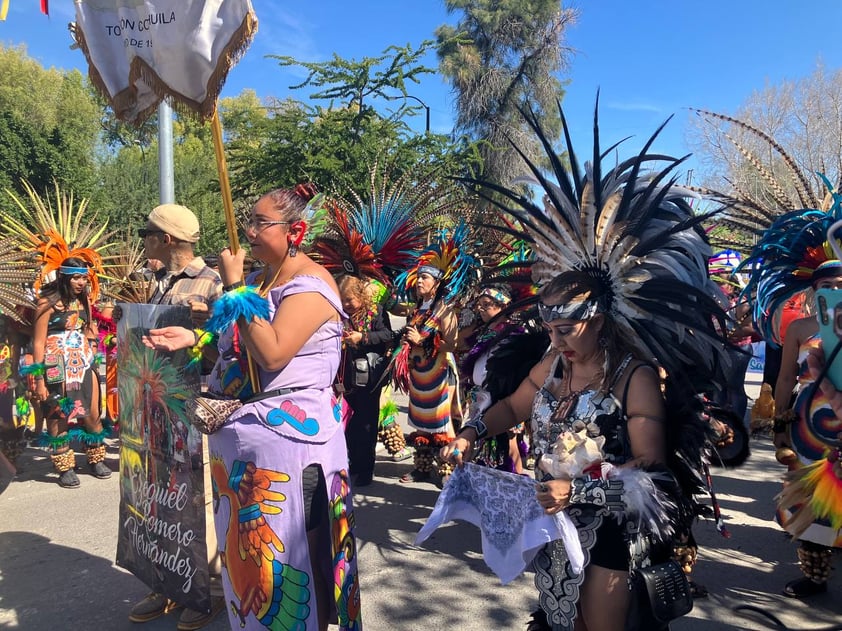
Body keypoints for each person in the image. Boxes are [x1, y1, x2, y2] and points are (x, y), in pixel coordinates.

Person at [438, 105, 728, 631]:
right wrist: (471, 433)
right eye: (549, 327)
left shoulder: (632, 377)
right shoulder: (551, 363)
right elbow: (509, 407)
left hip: (612, 532)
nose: (556, 339)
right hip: (551, 525)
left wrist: (582, 492)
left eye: (567, 328)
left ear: (599, 317)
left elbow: (655, 480)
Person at [143, 186, 363, 631]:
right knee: (253, 571)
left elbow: (274, 352)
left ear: (295, 230)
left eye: (260, 223)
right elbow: (237, 348)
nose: (248, 231)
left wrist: (234, 285)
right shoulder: (266, 278)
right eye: (250, 221)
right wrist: (195, 339)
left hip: (291, 455)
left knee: (295, 565)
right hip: (244, 457)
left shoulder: (312, 285)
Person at [126, 204, 224, 630]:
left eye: (148, 231)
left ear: (165, 238)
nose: (143, 237)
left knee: (199, 498)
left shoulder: (214, 281)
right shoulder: (156, 280)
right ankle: (167, 580)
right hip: (156, 406)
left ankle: (209, 591)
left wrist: (207, 331)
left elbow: (230, 349)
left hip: (195, 406)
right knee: (158, 492)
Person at [768, 260, 842, 598]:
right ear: (814, 290)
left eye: (841, 283)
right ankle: (815, 576)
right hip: (807, 433)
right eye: (827, 284)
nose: (835, 290)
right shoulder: (799, 329)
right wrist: (780, 425)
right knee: (809, 503)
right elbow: (784, 379)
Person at [391, 225, 476, 485]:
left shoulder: (445, 309)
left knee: (441, 424)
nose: (419, 282)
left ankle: (446, 472)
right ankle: (421, 467)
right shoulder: (417, 307)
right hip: (419, 374)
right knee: (420, 422)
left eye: (425, 278)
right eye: (418, 278)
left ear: (437, 283)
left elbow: (454, 344)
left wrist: (424, 343)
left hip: (439, 374)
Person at [31, 257, 109, 487]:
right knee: (58, 415)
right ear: (64, 277)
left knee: (92, 413)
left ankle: (95, 459)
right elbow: (38, 342)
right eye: (76, 277)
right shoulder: (46, 303)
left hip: (82, 362)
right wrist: (39, 380)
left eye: (84, 277)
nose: (81, 282)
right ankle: (64, 466)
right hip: (55, 364)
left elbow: (89, 326)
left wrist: (92, 343)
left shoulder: (83, 299)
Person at [458, 284, 546, 473]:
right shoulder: (484, 331)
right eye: (479, 304)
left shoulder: (514, 333)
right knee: (485, 442)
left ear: (503, 306)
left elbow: (514, 370)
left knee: (507, 441)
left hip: (502, 396)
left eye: (487, 304)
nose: (480, 309)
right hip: (481, 395)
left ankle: (516, 479)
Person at [338, 274, 393, 487]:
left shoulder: (376, 313)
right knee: (349, 424)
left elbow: (388, 335)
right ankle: (351, 462)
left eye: (349, 299)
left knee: (367, 424)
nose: (346, 304)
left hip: (369, 378)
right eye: (342, 300)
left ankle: (365, 469)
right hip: (347, 378)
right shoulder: (340, 315)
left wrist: (363, 337)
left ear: (361, 296)